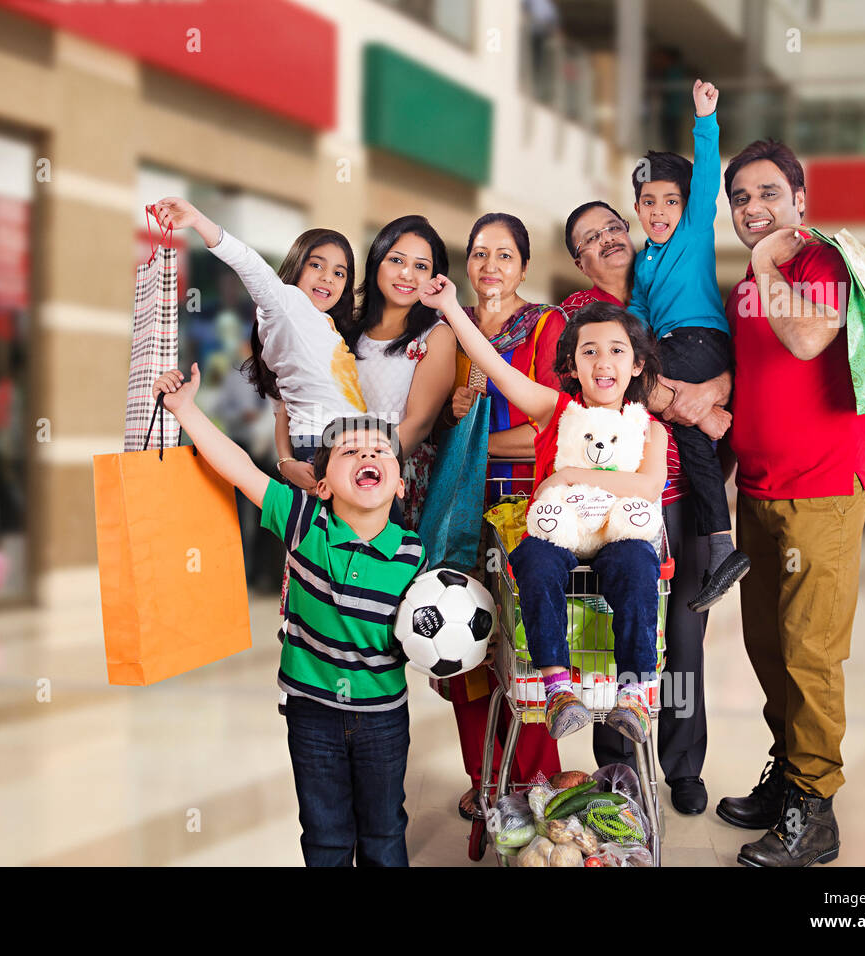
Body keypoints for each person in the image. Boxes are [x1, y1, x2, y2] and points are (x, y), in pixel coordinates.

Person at [156, 363, 426, 866]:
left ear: (401, 487)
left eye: (379, 451)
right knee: (324, 834)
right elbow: (238, 468)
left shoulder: (415, 556)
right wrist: (186, 410)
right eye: (350, 451)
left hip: (383, 719)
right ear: (321, 485)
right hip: (311, 714)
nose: (367, 452)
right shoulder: (304, 522)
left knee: (385, 831)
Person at [427, 274, 669, 745]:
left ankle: (635, 689)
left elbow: (648, 485)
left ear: (637, 365)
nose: (603, 362)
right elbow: (496, 368)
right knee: (533, 559)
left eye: (617, 351)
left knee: (640, 562)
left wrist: (569, 477)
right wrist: (453, 308)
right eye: (589, 351)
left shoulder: (649, 429)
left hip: (617, 538)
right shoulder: (555, 410)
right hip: (560, 534)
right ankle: (558, 686)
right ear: (573, 365)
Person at [717, 138, 865, 867]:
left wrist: (765, 261)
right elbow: (756, 377)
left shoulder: (823, 262)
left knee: (811, 652)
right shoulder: (748, 284)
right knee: (768, 647)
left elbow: (810, 337)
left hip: (823, 487)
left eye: (768, 193)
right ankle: (788, 778)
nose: (753, 208)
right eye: (741, 197)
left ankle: (817, 813)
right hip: (761, 487)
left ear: (800, 202)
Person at [560, 199, 718, 815]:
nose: (605, 242)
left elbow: (721, 363)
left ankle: (680, 765)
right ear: (578, 260)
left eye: (610, 229)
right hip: (609, 502)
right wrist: (695, 404)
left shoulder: (670, 287)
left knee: (683, 636)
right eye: (588, 241)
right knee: (609, 631)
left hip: (682, 501)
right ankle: (618, 764)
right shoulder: (579, 317)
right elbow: (570, 399)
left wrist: (712, 396)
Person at [439, 212, 565, 820]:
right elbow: (438, 419)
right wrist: (451, 427)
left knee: (520, 642)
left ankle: (535, 777)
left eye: (504, 255)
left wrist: (465, 443)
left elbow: (553, 425)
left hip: (520, 511)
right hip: (455, 512)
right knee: (459, 644)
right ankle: (484, 774)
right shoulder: (446, 328)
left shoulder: (546, 326)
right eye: (480, 253)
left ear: (524, 264)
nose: (490, 266)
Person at [627, 78, 749, 613]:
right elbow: (637, 311)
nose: (659, 212)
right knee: (692, 438)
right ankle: (722, 545)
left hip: (701, 340)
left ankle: (703, 423)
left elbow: (705, 185)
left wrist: (705, 118)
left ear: (686, 205)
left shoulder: (695, 231)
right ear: (636, 207)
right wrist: (626, 339)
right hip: (671, 347)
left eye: (670, 201)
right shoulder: (644, 259)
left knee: (645, 393)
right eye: (648, 202)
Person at [148, 197, 365, 484]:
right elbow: (249, 264)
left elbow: (281, 408)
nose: (328, 278)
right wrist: (199, 221)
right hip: (324, 446)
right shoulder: (287, 303)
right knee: (367, 529)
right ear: (297, 266)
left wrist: (285, 461)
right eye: (317, 265)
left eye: (340, 273)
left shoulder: (322, 326)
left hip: (346, 444)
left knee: (376, 528)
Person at [341, 215, 457, 529]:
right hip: (334, 468)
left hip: (393, 476)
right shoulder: (346, 330)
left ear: (436, 277)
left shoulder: (436, 336)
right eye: (396, 260)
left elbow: (419, 424)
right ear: (376, 262)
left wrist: (363, 468)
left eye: (421, 266)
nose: (407, 274)